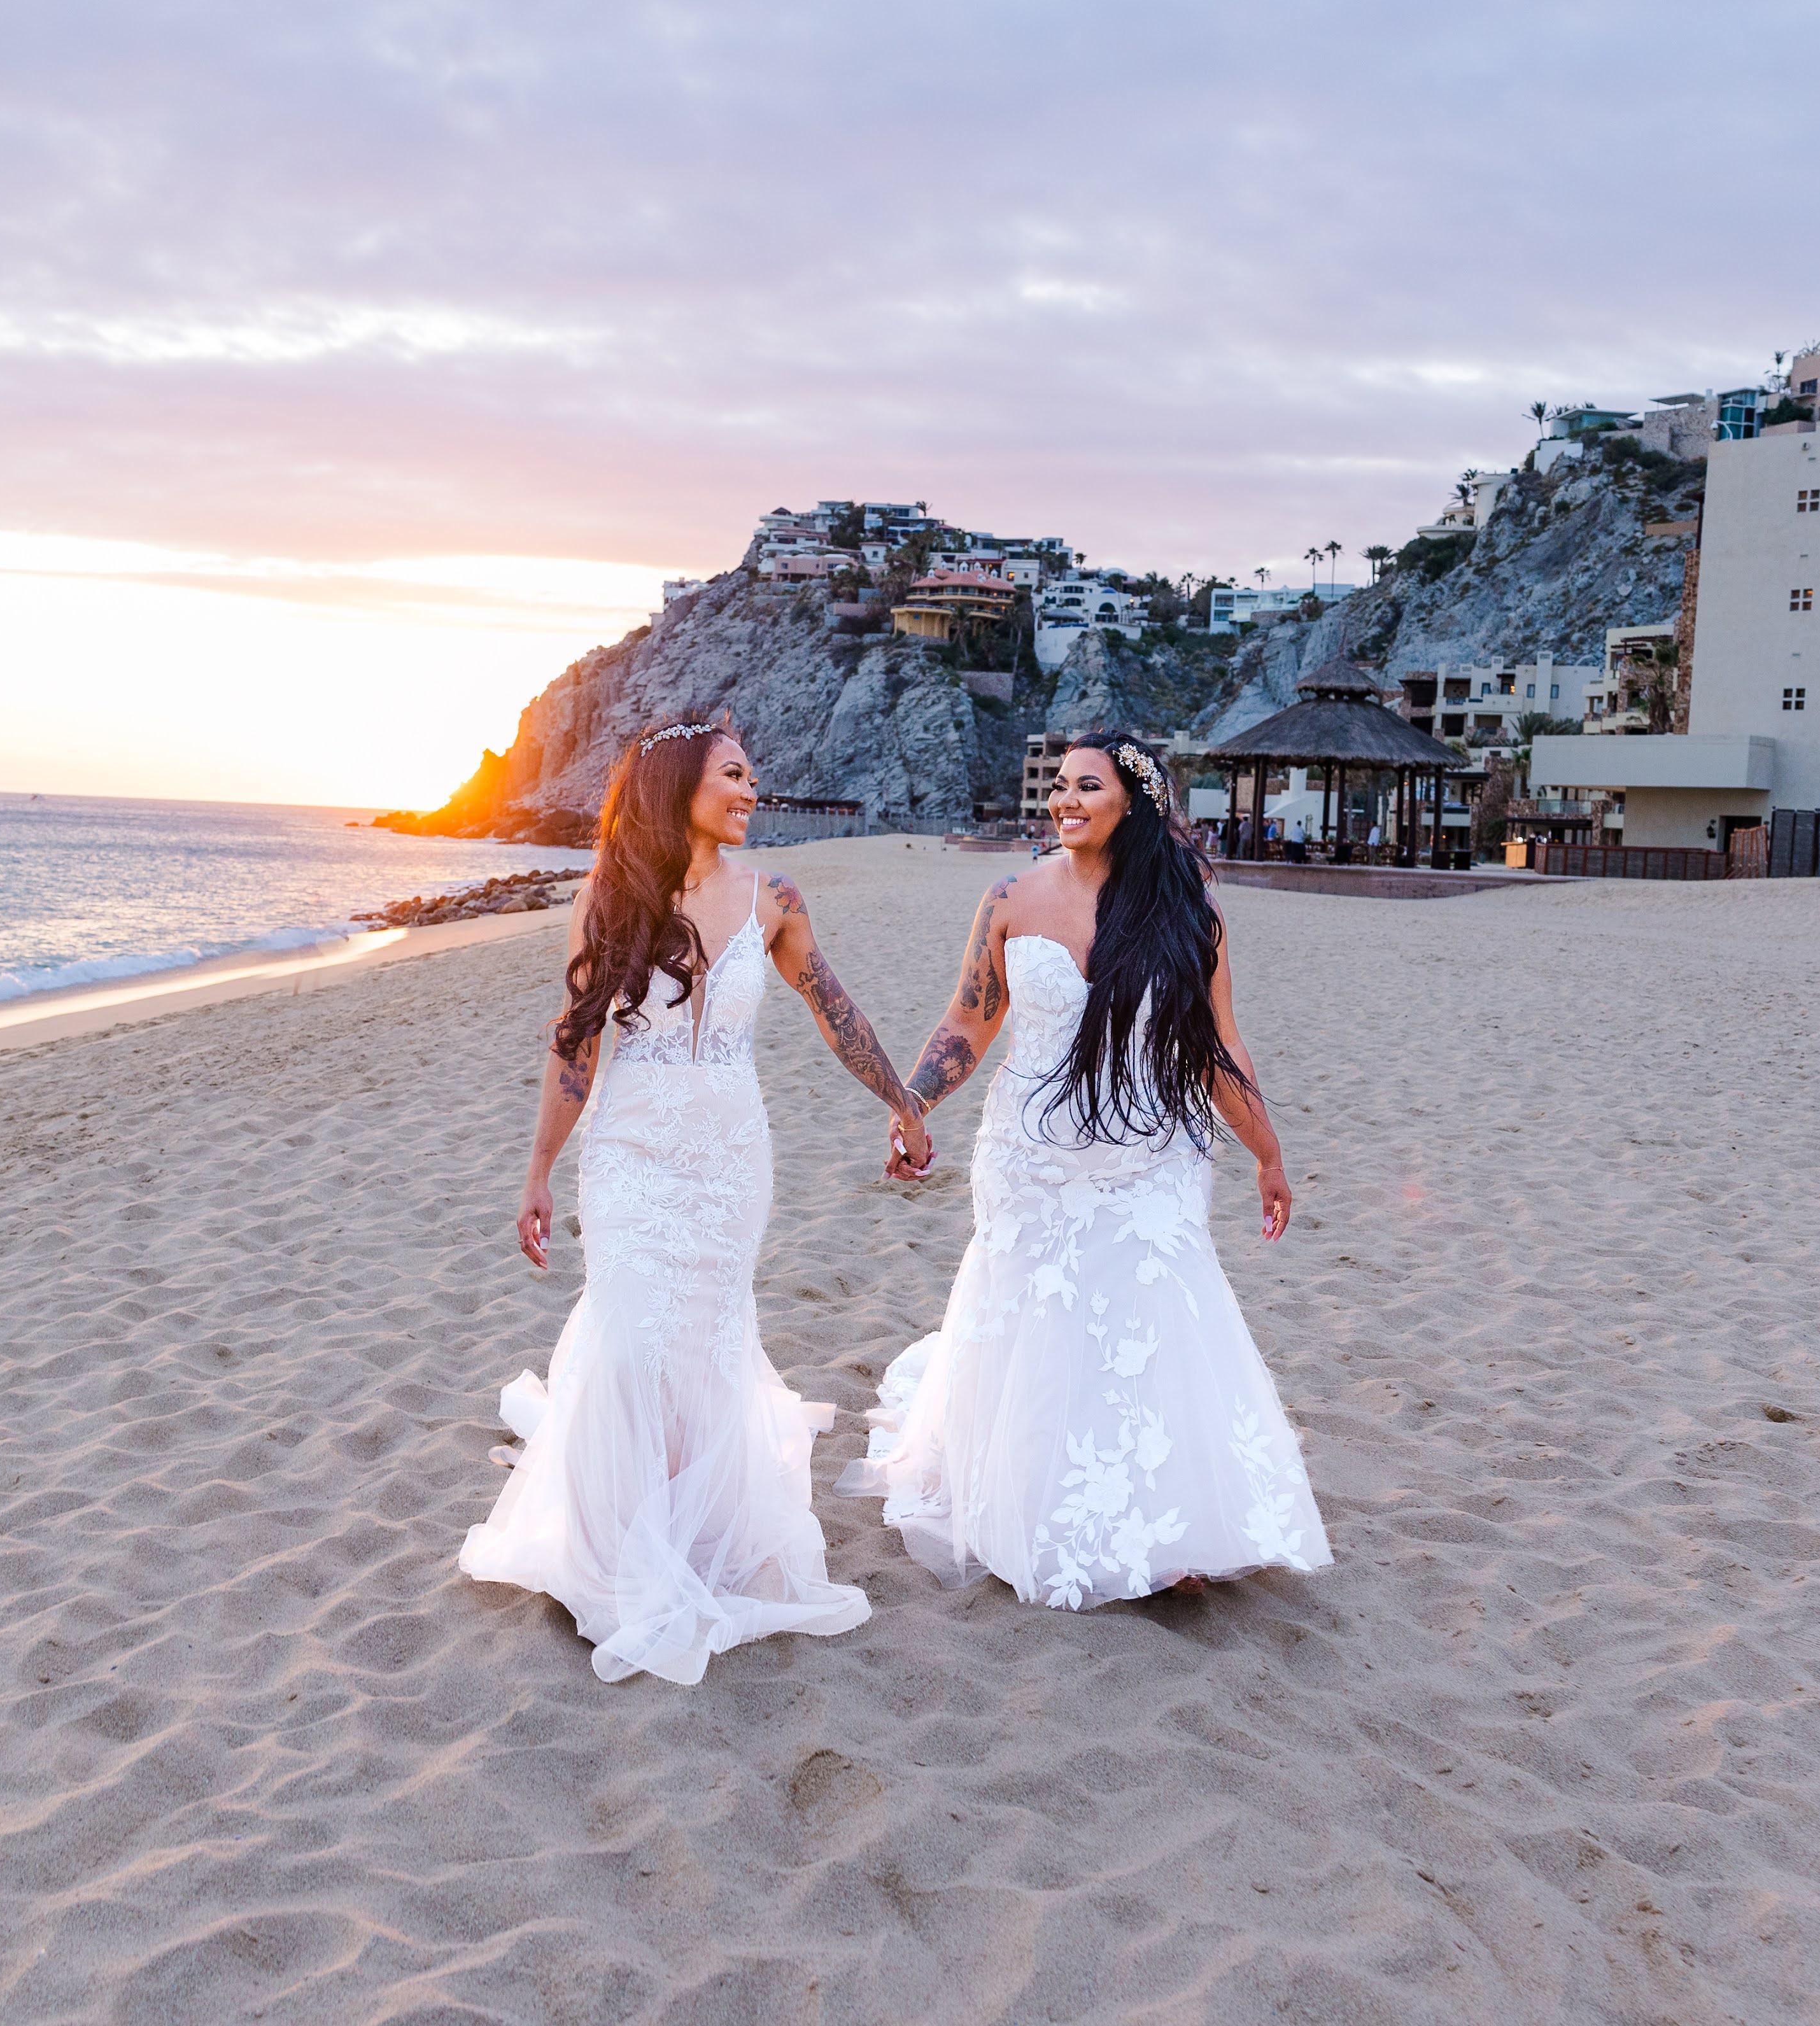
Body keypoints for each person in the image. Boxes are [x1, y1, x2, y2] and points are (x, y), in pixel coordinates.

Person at [461, 718, 933, 1682]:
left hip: (730, 1159)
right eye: (733, 774)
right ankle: (616, 1546)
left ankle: (698, 1535)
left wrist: (902, 1100)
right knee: (631, 1337)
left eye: (753, 775)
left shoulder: (775, 897)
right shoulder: (610, 896)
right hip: (630, 1153)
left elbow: (834, 1009)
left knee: (705, 1344)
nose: (751, 790)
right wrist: (539, 1169)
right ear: (678, 785)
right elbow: (575, 1041)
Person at [837, 731, 1330, 1607]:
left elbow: (1217, 1044)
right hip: (1032, 1157)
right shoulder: (1009, 897)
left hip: (1151, 1153)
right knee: (1045, 1321)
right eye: (1059, 784)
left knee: (1154, 1313)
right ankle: (1037, 1497)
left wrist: (1268, 1152)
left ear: (1132, 802)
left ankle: (1170, 1521)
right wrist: (913, 1104)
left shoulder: (1188, 910)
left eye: (1088, 786)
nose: (1064, 800)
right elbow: (968, 1021)